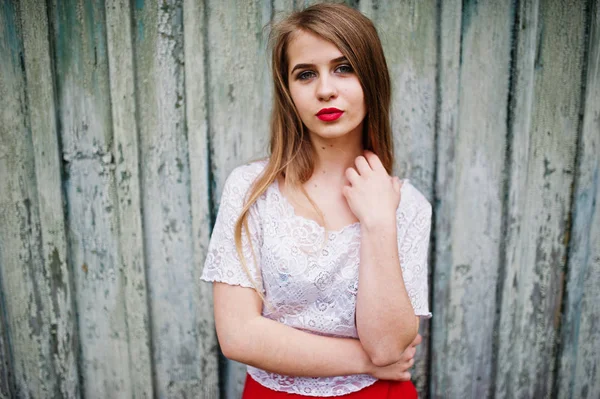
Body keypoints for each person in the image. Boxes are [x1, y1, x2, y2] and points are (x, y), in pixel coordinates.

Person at [200, 3, 432, 398]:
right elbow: (238, 336)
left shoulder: (406, 204)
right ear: (288, 91)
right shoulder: (251, 190)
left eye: (344, 68)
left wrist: (379, 222)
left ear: (371, 79)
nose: (326, 88)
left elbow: (388, 346)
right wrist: (363, 360)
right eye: (305, 74)